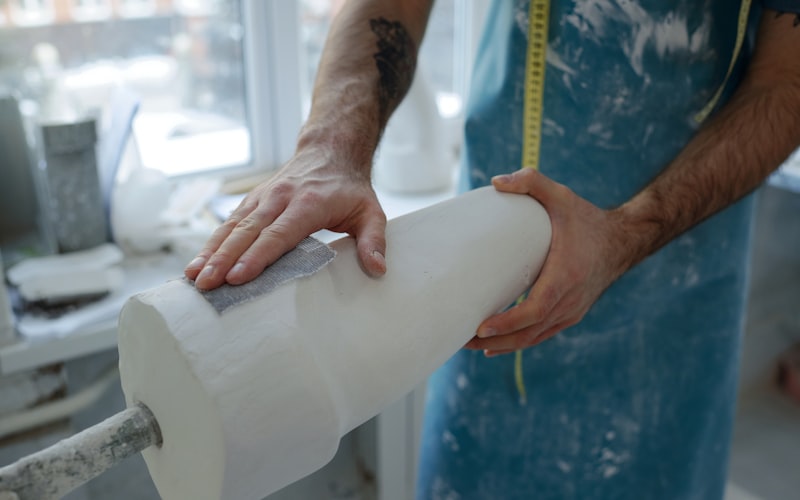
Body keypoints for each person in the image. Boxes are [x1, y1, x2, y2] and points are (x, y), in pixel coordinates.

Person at [185, 1, 800, 498]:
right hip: (478, 286)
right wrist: (330, 146)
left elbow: (788, 79)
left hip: (667, 300)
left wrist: (628, 233)